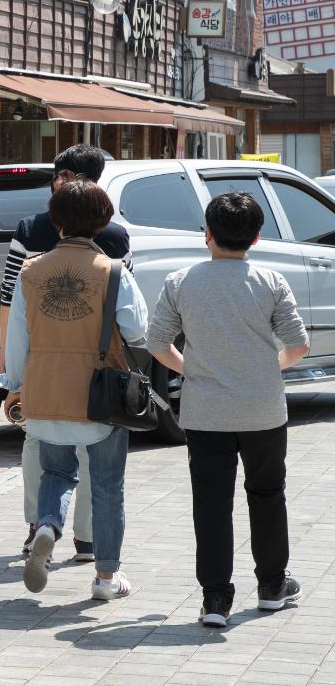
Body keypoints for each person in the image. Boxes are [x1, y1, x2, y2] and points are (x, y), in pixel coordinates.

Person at [147, 192, 309, 628]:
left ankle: (215, 598)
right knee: (268, 495)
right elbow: (298, 345)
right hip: (264, 410)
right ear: (256, 237)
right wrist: (267, 368)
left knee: (212, 504)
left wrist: (192, 369)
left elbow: (157, 343)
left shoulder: (181, 281)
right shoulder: (272, 281)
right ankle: (272, 585)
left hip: (205, 412)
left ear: (208, 235)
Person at [0, 178, 146, 602]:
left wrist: (14, 387)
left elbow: (18, 340)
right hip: (97, 395)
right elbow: (139, 330)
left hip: (44, 391)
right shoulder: (113, 271)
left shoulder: (31, 271)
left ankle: (46, 525)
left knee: (56, 472)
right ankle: (104, 578)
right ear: (102, 221)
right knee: (106, 485)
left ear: (56, 219)